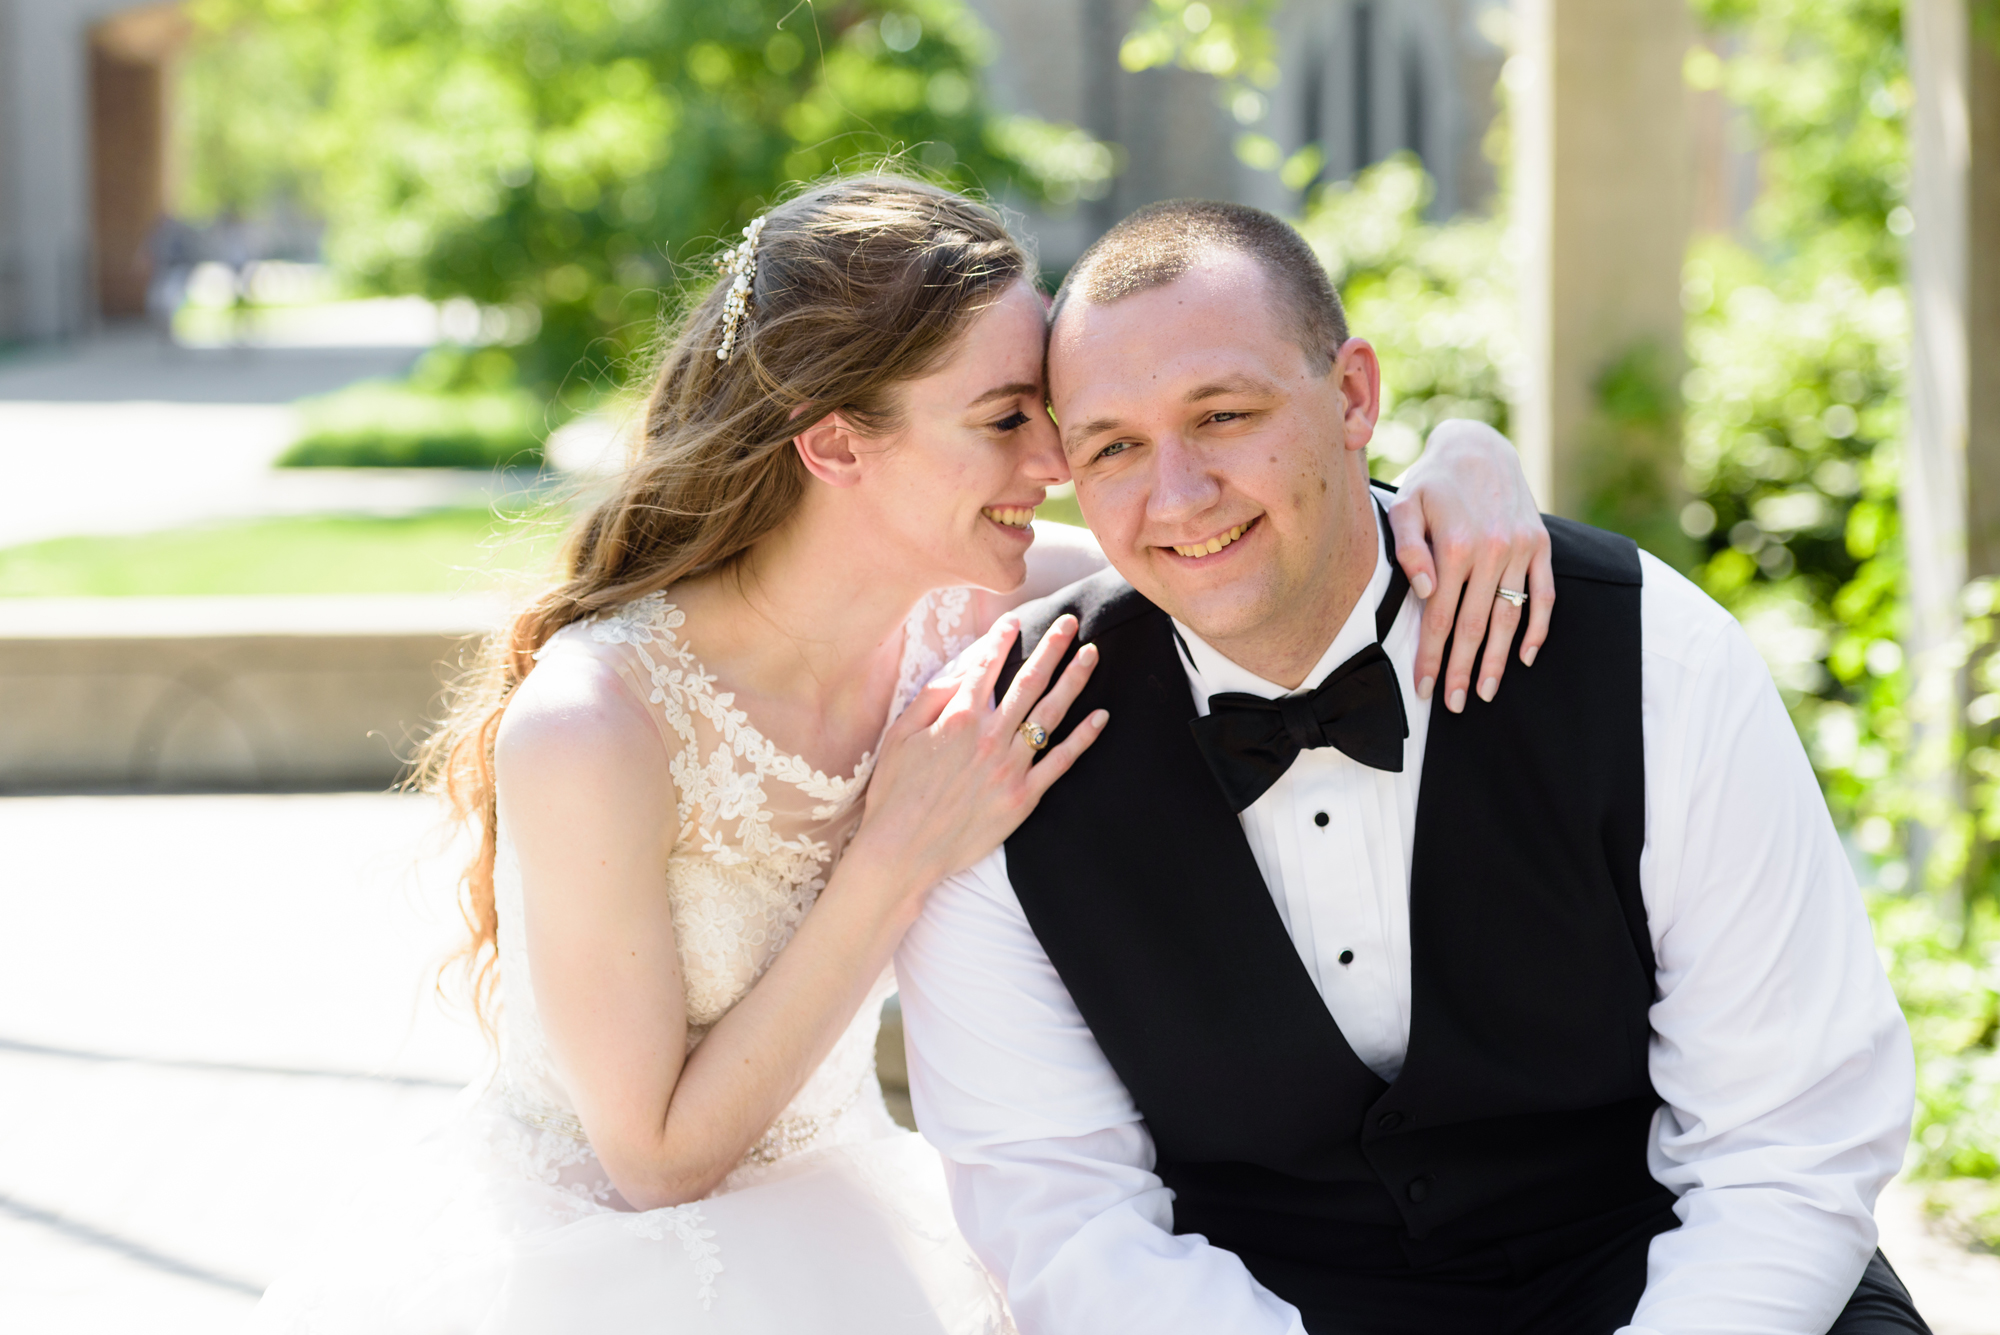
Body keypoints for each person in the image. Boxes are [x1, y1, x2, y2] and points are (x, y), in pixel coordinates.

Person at [247, 175, 1553, 1334]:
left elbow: (1233, 548)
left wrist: (1461, 464)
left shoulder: (972, 601)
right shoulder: (596, 724)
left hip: (857, 1212)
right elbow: (651, 1159)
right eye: (1002, 419)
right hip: (601, 1265)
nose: (1056, 463)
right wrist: (900, 845)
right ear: (834, 443)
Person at [894, 199, 1927, 1335]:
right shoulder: (1003, 743)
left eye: (1224, 415)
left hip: (1686, 1285)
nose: (1177, 495)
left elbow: (1784, 1144)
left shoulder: (1648, 657)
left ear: (1351, 397)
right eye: (1114, 447)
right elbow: (1064, 1217)